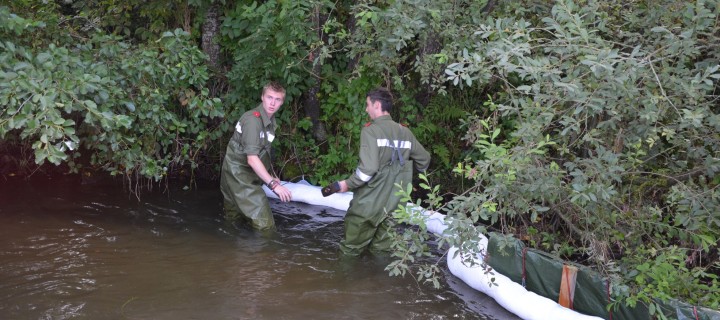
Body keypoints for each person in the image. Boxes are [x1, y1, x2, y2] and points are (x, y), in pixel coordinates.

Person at [322, 87, 431, 256]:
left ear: (377, 105)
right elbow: (424, 160)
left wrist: (347, 184)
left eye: (367, 105)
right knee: (383, 251)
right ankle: (379, 281)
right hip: (395, 204)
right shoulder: (406, 132)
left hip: (369, 203)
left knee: (350, 250)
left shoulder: (371, 131)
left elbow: (368, 170)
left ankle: (343, 280)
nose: (366, 109)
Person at [220, 81, 292, 231]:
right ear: (262, 97)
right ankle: (267, 253)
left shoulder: (270, 120)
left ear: (282, 102)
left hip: (244, 172)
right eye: (269, 97)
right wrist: (273, 186)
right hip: (238, 174)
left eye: (277, 99)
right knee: (265, 226)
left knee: (234, 220)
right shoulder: (253, 120)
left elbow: (264, 151)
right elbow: (252, 159)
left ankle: (229, 249)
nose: (272, 103)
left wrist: (271, 176)